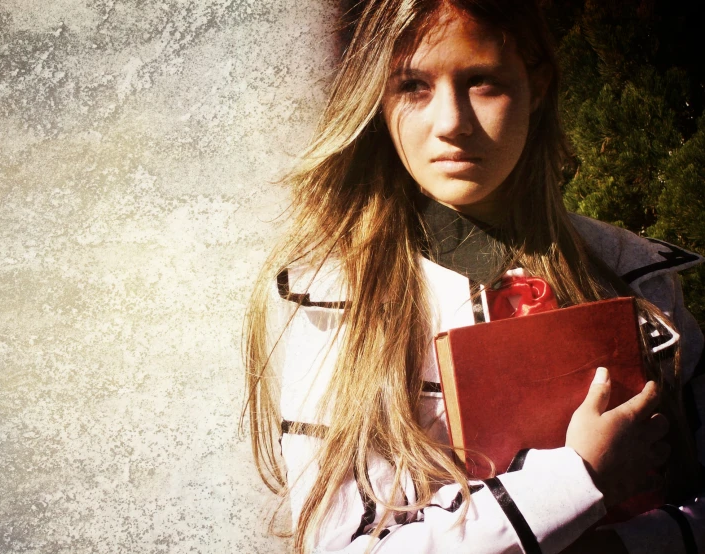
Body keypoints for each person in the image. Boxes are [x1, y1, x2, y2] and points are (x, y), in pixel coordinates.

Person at [243, 0, 705, 552]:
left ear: (536, 82)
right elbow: (342, 545)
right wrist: (576, 481)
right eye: (413, 85)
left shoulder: (637, 274)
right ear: (377, 98)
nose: (451, 124)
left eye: (482, 81)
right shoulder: (334, 300)